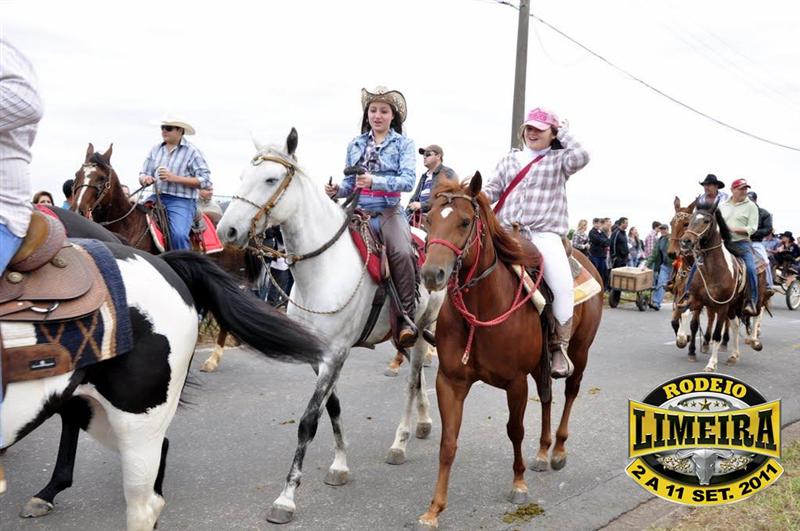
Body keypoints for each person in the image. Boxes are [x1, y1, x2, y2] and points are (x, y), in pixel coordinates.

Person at [482, 106, 590, 378]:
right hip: (504, 231)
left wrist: (561, 130)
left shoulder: (560, 160)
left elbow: (582, 155)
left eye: (539, 129)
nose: (532, 133)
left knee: (562, 284)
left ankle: (559, 347)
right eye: (529, 128)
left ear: (552, 133)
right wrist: (469, 195)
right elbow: (492, 190)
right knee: (467, 262)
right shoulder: (510, 159)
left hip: (543, 234)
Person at [325, 86, 418, 347]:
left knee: (402, 253)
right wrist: (337, 190)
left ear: (393, 116)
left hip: (388, 211)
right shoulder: (355, 144)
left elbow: (408, 181)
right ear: (367, 114)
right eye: (373, 110)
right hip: (356, 210)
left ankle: (406, 318)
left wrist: (374, 181)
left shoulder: (404, 144)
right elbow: (349, 184)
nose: (377, 115)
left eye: (383, 111)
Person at [0, 37, 44, 466]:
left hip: (1, 207)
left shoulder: (4, 50)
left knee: (174, 223)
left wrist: (172, 182)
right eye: (164, 129)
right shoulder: (156, 151)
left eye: (172, 129)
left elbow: (26, 102)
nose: (167, 133)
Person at [138, 116, 212, 250]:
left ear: (180, 131)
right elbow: (143, 173)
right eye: (162, 128)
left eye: (168, 128)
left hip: (182, 201)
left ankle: (182, 262)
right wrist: (145, 179)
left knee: (178, 235)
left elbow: (205, 180)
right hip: (156, 197)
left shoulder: (192, 152)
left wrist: (174, 178)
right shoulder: (155, 149)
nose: (164, 131)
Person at [719, 179, 760, 315]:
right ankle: (688, 293)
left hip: (741, 243)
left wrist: (733, 229)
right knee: (699, 262)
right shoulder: (722, 205)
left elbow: (752, 228)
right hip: (722, 242)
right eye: (741, 189)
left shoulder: (751, 206)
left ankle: (751, 301)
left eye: (745, 189)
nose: (744, 191)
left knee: (750, 268)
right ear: (732, 190)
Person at [406, 144, 456, 222]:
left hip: (436, 219)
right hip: (418, 217)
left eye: (428, 154)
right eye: (423, 155)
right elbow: (414, 198)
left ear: (438, 156)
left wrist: (422, 205)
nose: (424, 157)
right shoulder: (424, 176)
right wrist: (404, 215)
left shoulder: (447, 173)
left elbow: (446, 198)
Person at [747, 191, 774, 288]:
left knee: (765, 261)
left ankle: (768, 286)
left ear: (755, 200)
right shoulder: (740, 213)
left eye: (750, 200)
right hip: (739, 242)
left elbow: (768, 229)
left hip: (755, 243)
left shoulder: (764, 213)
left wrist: (752, 232)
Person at [645, 224, 671, 310]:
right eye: (661, 229)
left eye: (664, 229)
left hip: (676, 266)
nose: (663, 231)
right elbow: (654, 254)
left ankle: (684, 301)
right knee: (660, 283)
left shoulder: (672, 238)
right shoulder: (659, 241)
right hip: (664, 266)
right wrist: (646, 265)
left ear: (668, 229)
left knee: (678, 285)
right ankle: (656, 303)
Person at [589, 217, 611, 289]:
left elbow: (608, 242)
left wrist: (602, 241)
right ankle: (593, 288)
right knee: (594, 273)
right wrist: (603, 241)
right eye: (596, 223)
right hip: (595, 256)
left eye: (599, 223)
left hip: (602, 256)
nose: (598, 225)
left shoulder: (601, 232)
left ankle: (601, 288)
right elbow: (596, 240)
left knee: (603, 273)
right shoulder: (592, 232)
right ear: (593, 223)